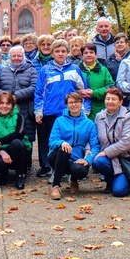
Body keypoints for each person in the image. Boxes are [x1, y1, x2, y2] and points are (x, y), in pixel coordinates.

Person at [34, 39, 88, 179]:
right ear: (52, 53)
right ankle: (52, 169)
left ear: (67, 52)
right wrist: (38, 111)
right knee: (52, 142)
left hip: (71, 113)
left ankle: (70, 169)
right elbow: (39, 92)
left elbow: (83, 91)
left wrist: (85, 110)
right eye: (57, 51)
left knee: (70, 141)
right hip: (50, 112)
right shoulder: (45, 70)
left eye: (63, 51)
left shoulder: (74, 69)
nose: (60, 54)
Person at [0, 45, 38, 171]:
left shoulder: (31, 70)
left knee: (26, 135)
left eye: (19, 56)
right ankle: (4, 164)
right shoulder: (2, 70)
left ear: (23, 57)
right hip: (4, 108)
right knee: (6, 133)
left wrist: (16, 96)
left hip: (25, 108)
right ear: (9, 57)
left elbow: (34, 87)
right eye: (14, 56)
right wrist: (5, 97)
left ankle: (25, 166)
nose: (16, 58)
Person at [47, 93, 98, 200]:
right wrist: (62, 143)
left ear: (81, 103)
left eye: (77, 102)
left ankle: (74, 180)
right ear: (66, 105)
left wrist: (88, 160)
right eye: (71, 102)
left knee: (81, 170)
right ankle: (55, 186)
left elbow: (95, 146)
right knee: (65, 149)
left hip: (76, 159)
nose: (74, 105)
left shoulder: (89, 123)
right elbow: (52, 141)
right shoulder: (59, 121)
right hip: (57, 156)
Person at [92, 88, 130, 197]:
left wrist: (106, 152)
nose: (110, 102)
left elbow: (126, 142)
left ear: (121, 102)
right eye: (108, 99)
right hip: (109, 159)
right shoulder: (99, 117)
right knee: (99, 161)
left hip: (125, 159)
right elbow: (94, 137)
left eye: (114, 99)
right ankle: (110, 181)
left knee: (119, 192)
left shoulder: (128, 116)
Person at [0, 92, 30, 189]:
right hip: (0, 150)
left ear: (12, 105)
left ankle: (19, 175)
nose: (4, 106)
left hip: (18, 150)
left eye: (8, 103)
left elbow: (19, 134)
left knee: (17, 143)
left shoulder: (20, 117)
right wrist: (1, 151)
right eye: (1, 103)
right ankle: (3, 173)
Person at [79, 43, 115, 120]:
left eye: (91, 52)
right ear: (82, 56)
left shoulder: (103, 70)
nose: (89, 55)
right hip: (80, 109)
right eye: (86, 53)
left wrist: (94, 93)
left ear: (96, 55)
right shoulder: (76, 70)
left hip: (99, 108)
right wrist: (79, 92)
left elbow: (110, 86)